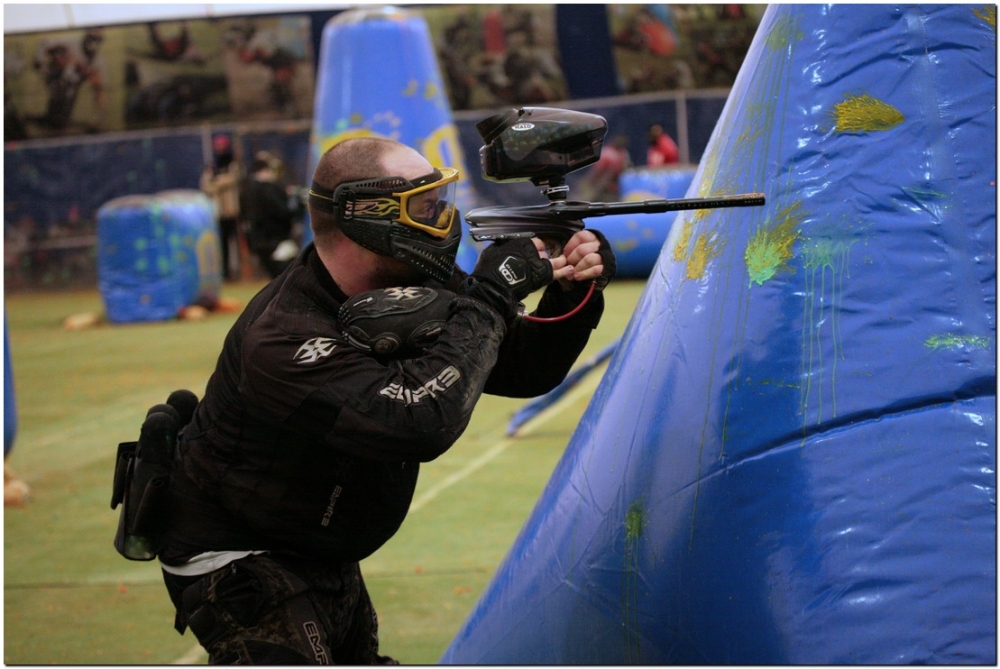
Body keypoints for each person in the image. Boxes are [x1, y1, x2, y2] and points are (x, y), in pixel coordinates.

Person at [153, 137, 616, 664]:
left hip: (319, 542)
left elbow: (520, 366)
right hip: (240, 555)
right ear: (367, 215)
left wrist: (574, 293)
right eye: (425, 207)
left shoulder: (409, 280)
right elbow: (418, 420)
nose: (443, 219)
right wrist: (489, 298)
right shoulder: (282, 338)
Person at [240, 151, 299, 279]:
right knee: (285, 276)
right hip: (275, 239)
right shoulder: (268, 189)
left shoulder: (246, 188)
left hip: (258, 239)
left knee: (275, 277)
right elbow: (283, 211)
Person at [200, 134, 242, 281]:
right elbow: (206, 185)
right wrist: (216, 183)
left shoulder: (232, 164)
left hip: (232, 211)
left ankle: (238, 272)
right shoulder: (212, 166)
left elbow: (231, 179)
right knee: (221, 244)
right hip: (218, 212)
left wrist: (215, 182)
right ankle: (224, 273)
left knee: (235, 242)